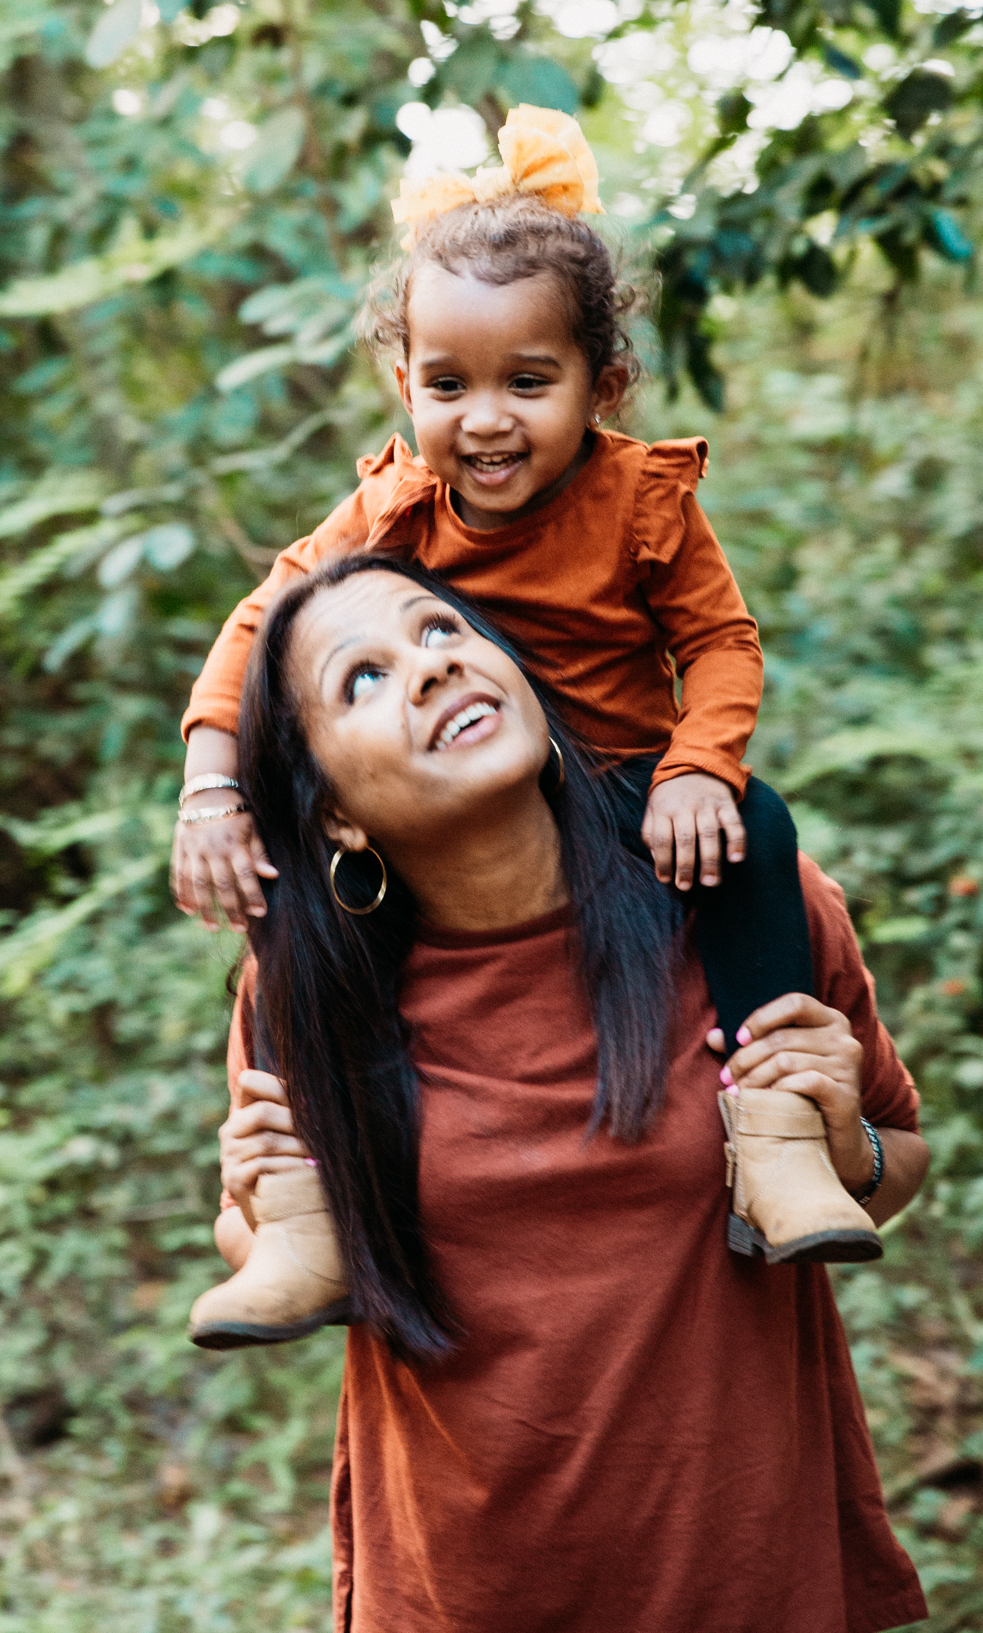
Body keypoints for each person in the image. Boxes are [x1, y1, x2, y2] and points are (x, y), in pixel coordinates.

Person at [175, 104, 873, 1267]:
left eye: (528, 381)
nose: (485, 420)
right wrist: (211, 790)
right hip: (464, 807)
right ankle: (297, 1201)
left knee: (754, 827)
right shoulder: (395, 506)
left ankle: (778, 1132)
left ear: (604, 383)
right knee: (293, 900)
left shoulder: (641, 500)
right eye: (448, 383)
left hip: (631, 788)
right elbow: (263, 625)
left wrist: (697, 769)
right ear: (403, 381)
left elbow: (720, 642)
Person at [192, 555, 929, 1633]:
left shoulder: (739, 913)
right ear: (336, 816)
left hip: (746, 1572)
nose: (431, 668)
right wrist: (257, 1203)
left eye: (441, 631)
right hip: (456, 1591)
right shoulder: (308, 991)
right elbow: (264, 1247)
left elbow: (897, 1155)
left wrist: (842, 1139)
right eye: (363, 677)